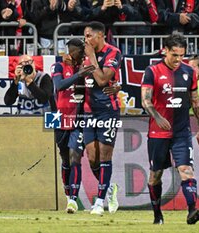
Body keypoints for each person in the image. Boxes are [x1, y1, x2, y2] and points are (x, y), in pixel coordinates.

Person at [141, 33, 199, 225]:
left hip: (181, 131)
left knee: (186, 169)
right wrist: (157, 115)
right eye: (174, 55)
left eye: (181, 55)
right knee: (155, 175)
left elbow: (195, 100)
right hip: (158, 133)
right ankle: (157, 214)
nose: (178, 60)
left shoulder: (189, 72)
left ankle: (192, 210)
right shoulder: (152, 71)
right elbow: (145, 99)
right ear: (165, 51)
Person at [51, 38, 96, 213]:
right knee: (64, 159)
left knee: (74, 156)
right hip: (58, 117)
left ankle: (73, 200)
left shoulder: (85, 66)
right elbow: (59, 86)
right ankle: (68, 192)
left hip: (79, 118)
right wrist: (79, 75)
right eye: (79, 51)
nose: (80, 55)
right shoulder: (59, 66)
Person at [83, 21, 121, 215]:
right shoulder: (84, 54)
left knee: (105, 155)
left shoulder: (113, 52)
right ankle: (109, 187)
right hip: (89, 110)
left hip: (108, 109)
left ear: (100, 35)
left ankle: (99, 202)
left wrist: (91, 58)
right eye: (85, 36)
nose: (86, 40)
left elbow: (102, 79)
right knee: (92, 158)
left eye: (89, 36)